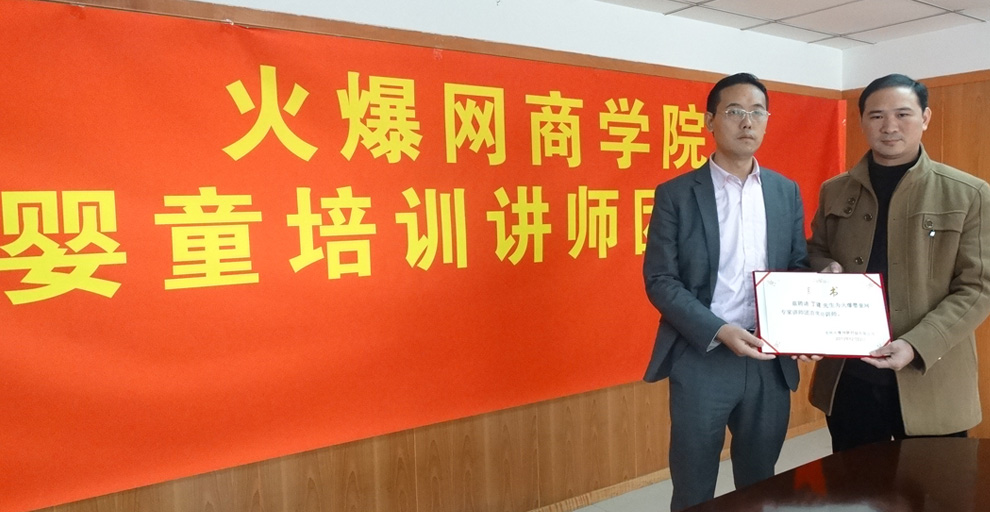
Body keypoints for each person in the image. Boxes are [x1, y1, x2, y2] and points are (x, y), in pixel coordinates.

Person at [642, 73, 807, 511]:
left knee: (761, 483)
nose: (747, 122)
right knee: (694, 485)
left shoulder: (785, 191)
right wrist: (719, 330)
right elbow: (660, 279)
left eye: (757, 112)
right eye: (734, 111)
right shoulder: (676, 194)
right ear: (710, 121)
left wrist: (810, 311)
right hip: (703, 354)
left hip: (769, 358)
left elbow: (796, 266)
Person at [806, 74, 990, 453]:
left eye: (903, 114)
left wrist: (916, 344)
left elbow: (978, 287)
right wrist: (824, 269)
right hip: (850, 377)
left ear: (925, 118)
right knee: (855, 483)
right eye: (876, 116)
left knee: (934, 484)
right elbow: (815, 252)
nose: (889, 126)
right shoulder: (834, 190)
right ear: (862, 121)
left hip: (931, 376)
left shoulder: (968, 193)